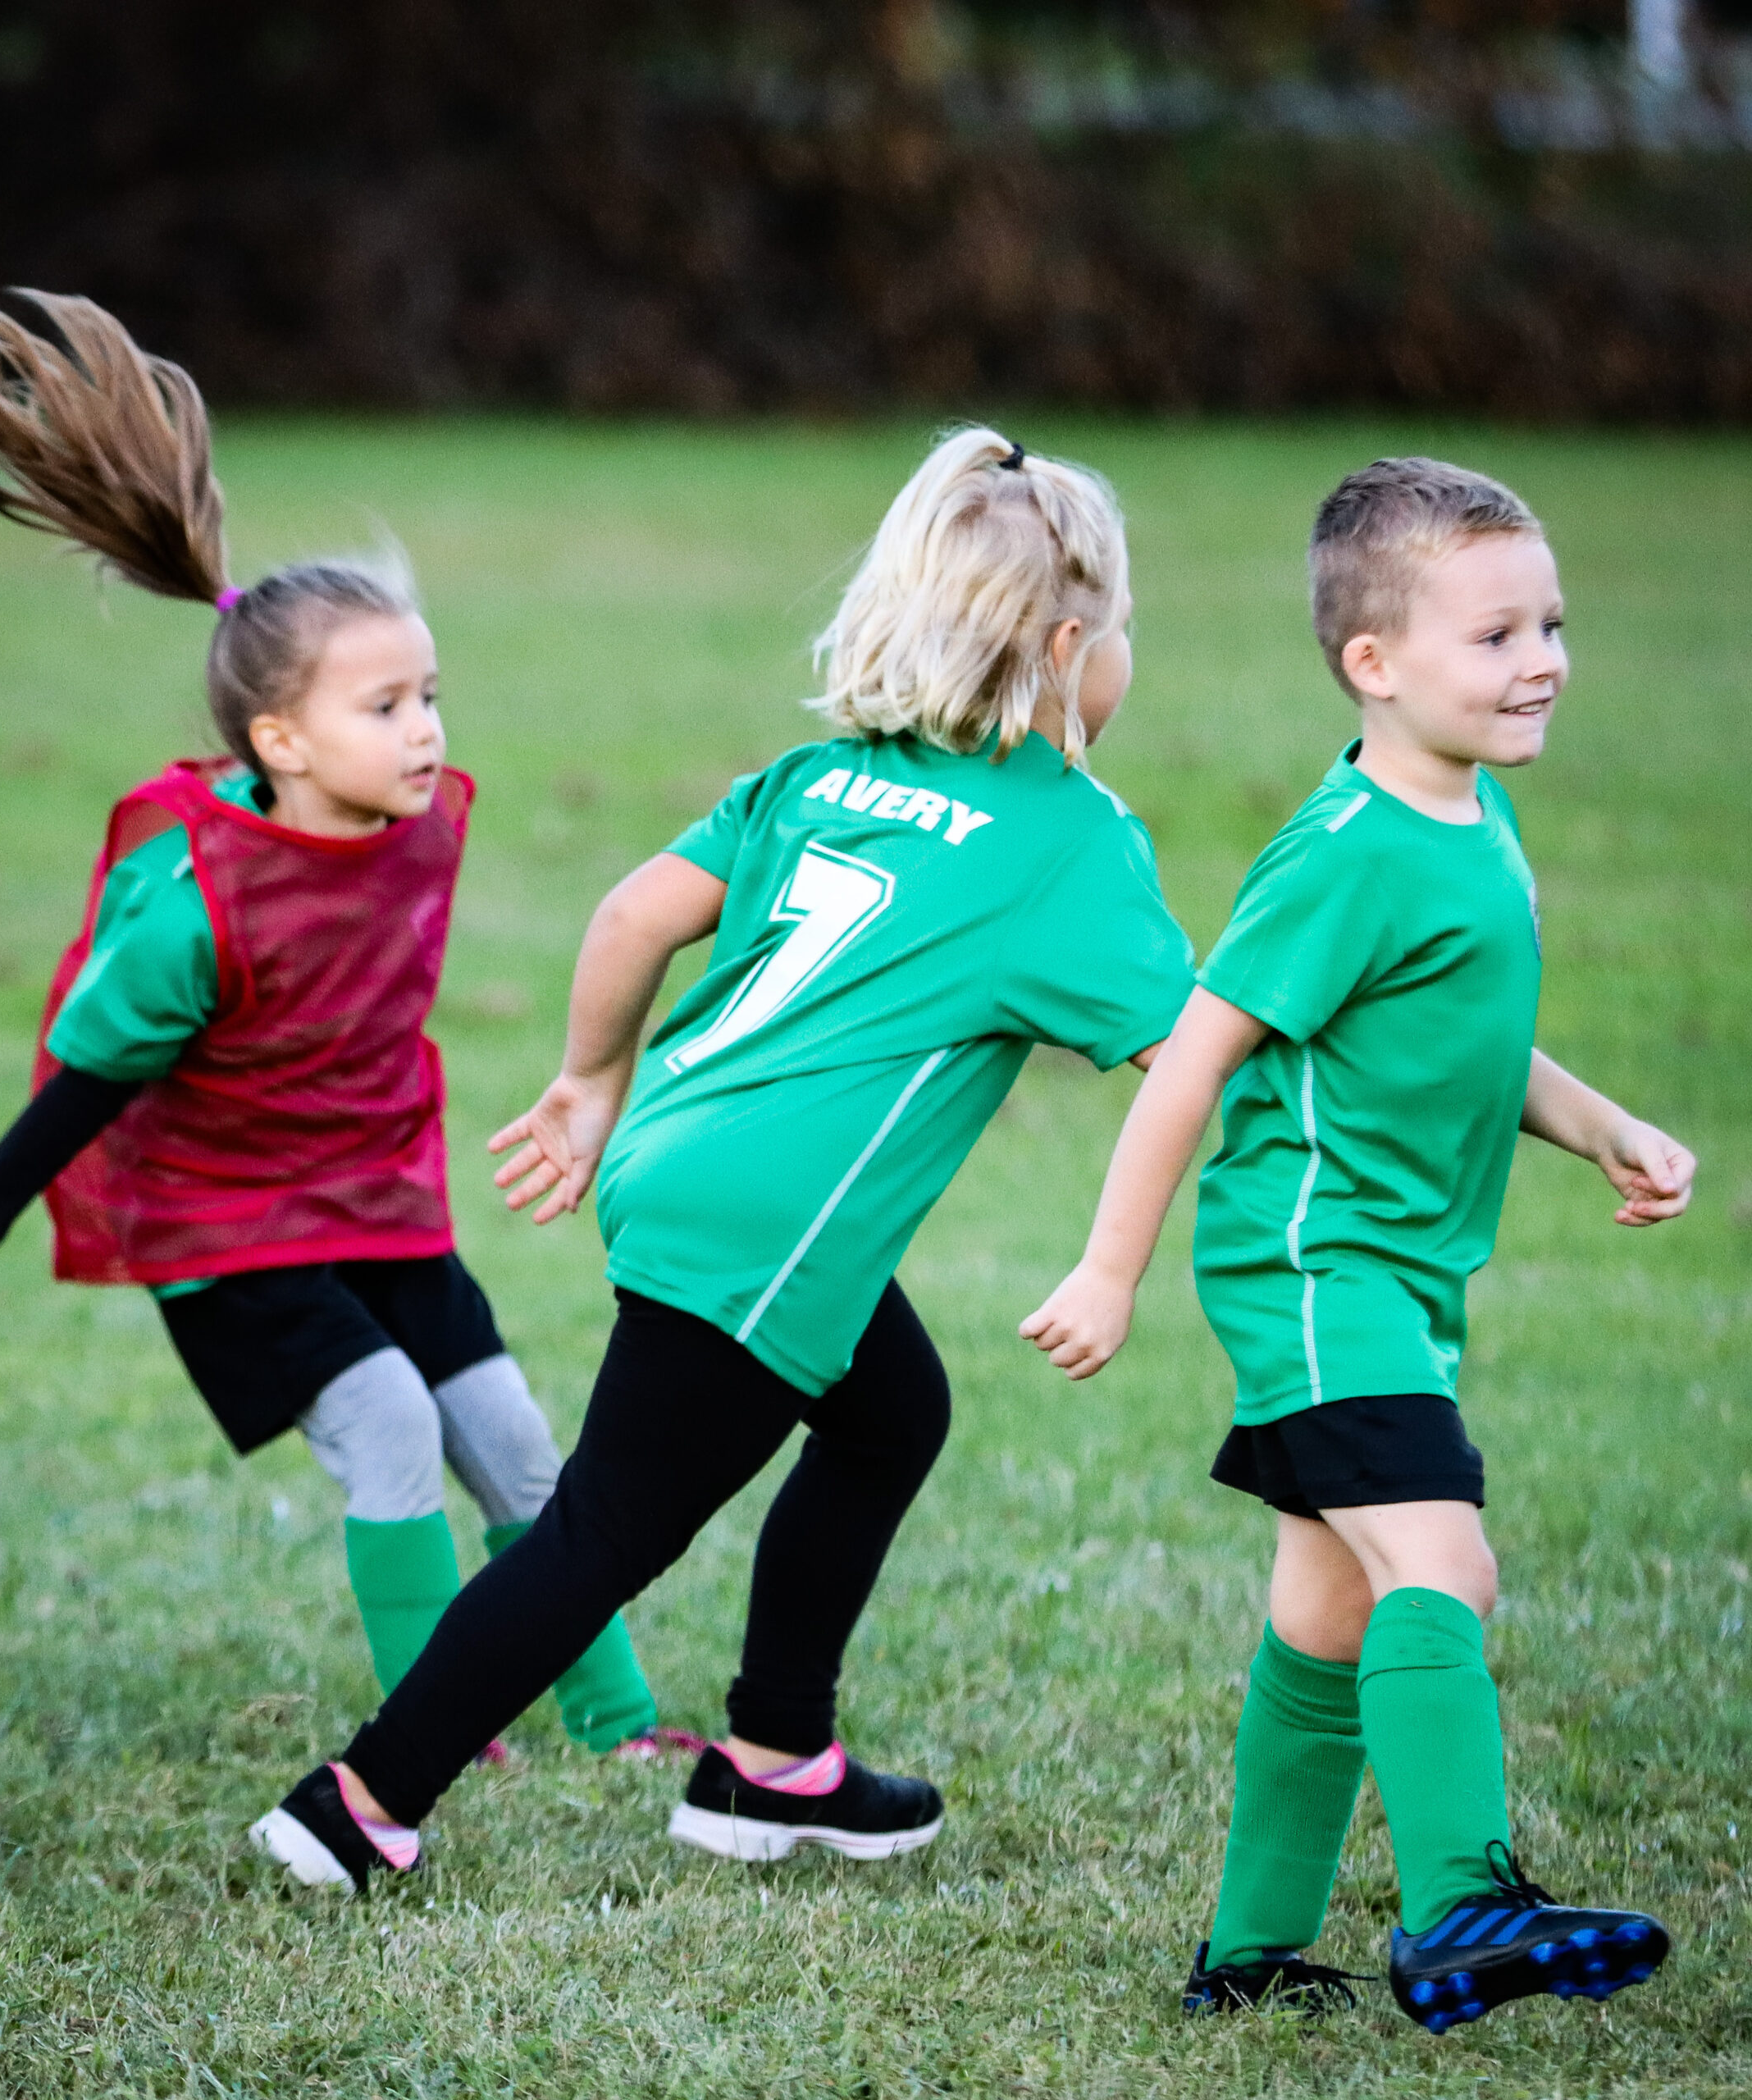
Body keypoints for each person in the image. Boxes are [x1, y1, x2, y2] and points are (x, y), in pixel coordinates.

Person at [247, 424, 1198, 1892]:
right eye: (1122, 628)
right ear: (1071, 649)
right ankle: (358, 1806)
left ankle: (775, 1759)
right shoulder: (1070, 841)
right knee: (604, 1528)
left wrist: (587, 1082)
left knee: (890, 1413)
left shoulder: (820, 776)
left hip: (674, 1152)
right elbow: (1190, 1053)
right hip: (769, 1227)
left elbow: (634, 911)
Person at [0, 292, 659, 1755]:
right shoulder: (194, 905)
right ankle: (437, 1731)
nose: (425, 730)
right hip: (226, 1221)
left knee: (512, 1439)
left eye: (429, 695)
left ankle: (617, 1722)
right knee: (390, 1425)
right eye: (385, 707)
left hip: (375, 1198)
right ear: (279, 742)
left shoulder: (418, 827)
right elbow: (82, 1092)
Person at [1021, 458, 1695, 2030]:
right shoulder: (1344, 852)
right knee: (1443, 1562)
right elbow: (1192, 1058)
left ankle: (1247, 1958)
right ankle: (1462, 1905)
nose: (1541, 661)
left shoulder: (1471, 813)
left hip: (1396, 1276)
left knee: (1328, 1613)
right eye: (1495, 636)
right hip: (1317, 1271)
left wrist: (1600, 1123)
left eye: (1549, 625)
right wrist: (1109, 1269)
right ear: (1373, 663)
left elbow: (1459, 1033)